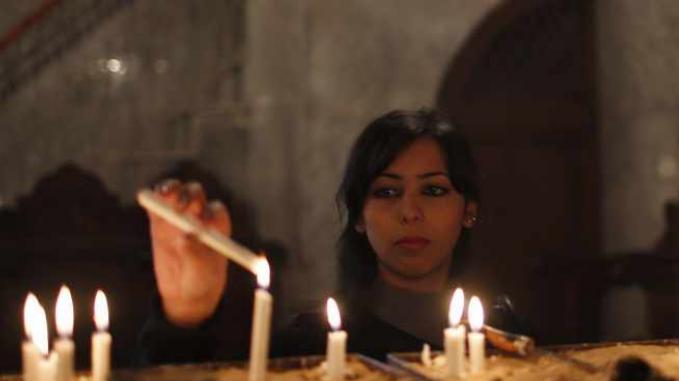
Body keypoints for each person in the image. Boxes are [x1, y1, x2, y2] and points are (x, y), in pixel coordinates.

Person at [138, 108, 526, 364]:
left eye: (434, 190)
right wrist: (185, 317)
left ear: (468, 210)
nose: (410, 212)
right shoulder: (313, 345)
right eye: (386, 192)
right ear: (359, 215)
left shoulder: (505, 336)